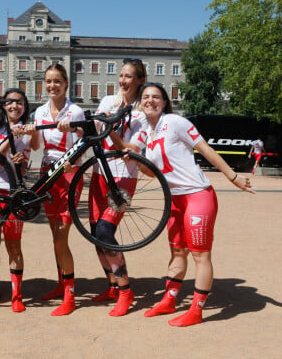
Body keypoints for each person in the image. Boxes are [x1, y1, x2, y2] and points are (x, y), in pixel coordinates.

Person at [139, 82, 254, 327]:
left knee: (200, 255)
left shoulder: (175, 122)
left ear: (165, 102)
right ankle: (169, 300)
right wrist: (137, 163)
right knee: (177, 251)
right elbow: (155, 172)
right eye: (146, 96)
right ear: (140, 102)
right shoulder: (148, 133)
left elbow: (205, 149)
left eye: (156, 96)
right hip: (175, 199)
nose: (150, 100)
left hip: (198, 195)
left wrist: (232, 176)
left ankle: (196, 310)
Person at [88, 58, 147, 316]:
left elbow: (133, 148)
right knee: (95, 235)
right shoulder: (107, 102)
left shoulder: (143, 112)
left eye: (129, 77)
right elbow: (94, 133)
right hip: (100, 174)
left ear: (140, 80)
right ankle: (111, 285)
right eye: (121, 76)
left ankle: (125, 290)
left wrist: (111, 130)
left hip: (124, 178)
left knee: (105, 231)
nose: (123, 81)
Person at [0, 87, 40, 312]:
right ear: (3, 105)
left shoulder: (27, 128)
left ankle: (16, 293)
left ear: (25, 106)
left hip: (15, 194)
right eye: (10, 102)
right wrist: (11, 136)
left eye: (20, 102)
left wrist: (21, 160)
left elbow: (31, 154)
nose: (15, 106)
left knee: (14, 245)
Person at [34, 63, 85, 316]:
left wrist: (72, 161)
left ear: (66, 84)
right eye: (48, 81)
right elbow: (36, 145)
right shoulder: (40, 111)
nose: (52, 85)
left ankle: (70, 296)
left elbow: (85, 141)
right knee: (54, 231)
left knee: (60, 237)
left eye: (57, 81)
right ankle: (61, 284)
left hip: (69, 174)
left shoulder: (75, 110)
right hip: (47, 174)